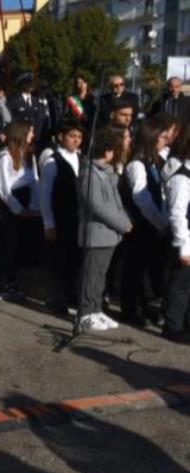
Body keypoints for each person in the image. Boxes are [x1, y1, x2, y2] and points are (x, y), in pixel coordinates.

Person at [76, 126, 133, 332]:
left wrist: (124, 219)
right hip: (96, 233)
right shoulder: (90, 174)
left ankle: (95, 308)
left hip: (109, 235)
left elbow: (116, 202)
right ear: (107, 150)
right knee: (91, 274)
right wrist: (122, 223)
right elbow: (98, 205)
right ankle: (85, 312)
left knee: (100, 275)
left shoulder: (107, 172)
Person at [118, 116, 173, 326]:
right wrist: (161, 223)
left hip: (154, 224)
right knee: (134, 269)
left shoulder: (156, 161)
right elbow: (143, 200)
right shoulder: (137, 165)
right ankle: (130, 309)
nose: (165, 139)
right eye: (161, 136)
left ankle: (144, 306)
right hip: (141, 225)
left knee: (147, 270)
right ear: (151, 137)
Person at [0, 119, 40, 300]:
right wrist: (18, 209)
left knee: (19, 246)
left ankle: (12, 281)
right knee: (10, 244)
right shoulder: (5, 156)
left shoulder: (27, 155)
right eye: (30, 132)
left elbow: (34, 182)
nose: (33, 135)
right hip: (12, 204)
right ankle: (0, 282)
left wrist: (33, 205)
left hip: (25, 202)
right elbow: (2, 186)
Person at [40, 120, 84, 314]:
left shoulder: (82, 158)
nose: (76, 141)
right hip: (61, 217)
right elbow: (45, 195)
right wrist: (48, 223)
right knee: (59, 261)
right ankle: (57, 299)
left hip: (78, 218)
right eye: (72, 136)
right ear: (61, 137)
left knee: (75, 260)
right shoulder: (53, 161)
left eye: (79, 137)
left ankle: (73, 295)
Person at [160, 125, 190, 341]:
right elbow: (178, 214)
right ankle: (173, 326)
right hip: (186, 241)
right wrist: (183, 245)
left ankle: (185, 323)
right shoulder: (182, 179)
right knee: (179, 285)